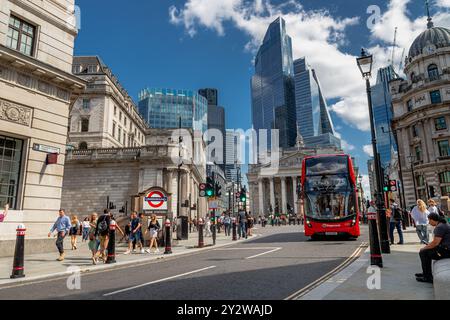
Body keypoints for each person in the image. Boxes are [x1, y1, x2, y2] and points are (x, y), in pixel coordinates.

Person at [416, 213, 450, 283]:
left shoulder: (439, 227)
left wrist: (425, 248)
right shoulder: (443, 224)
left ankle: (427, 277)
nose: (429, 222)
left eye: (429, 220)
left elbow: (435, 243)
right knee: (425, 252)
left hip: (446, 251)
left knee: (423, 252)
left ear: (432, 219)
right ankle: (426, 273)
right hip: (446, 249)